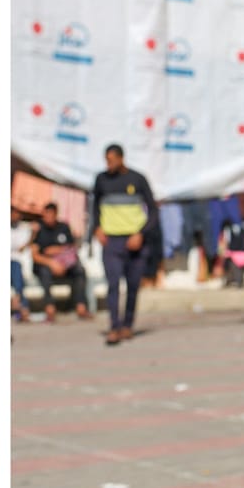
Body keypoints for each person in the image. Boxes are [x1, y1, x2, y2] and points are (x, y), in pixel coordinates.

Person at [89, 144, 159, 346]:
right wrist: (97, 228)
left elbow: (153, 212)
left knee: (133, 285)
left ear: (121, 159)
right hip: (112, 240)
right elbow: (95, 207)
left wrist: (141, 233)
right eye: (106, 161)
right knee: (112, 284)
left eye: (111, 160)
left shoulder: (137, 179)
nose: (108, 165)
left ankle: (128, 324)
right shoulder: (101, 180)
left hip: (135, 240)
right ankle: (114, 326)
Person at [31, 200, 92, 321]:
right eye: (46, 214)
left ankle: (81, 306)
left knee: (80, 271)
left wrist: (56, 251)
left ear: (55, 214)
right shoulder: (39, 229)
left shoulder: (64, 227)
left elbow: (71, 248)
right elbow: (35, 255)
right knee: (44, 272)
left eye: (50, 214)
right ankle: (50, 308)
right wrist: (52, 263)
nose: (48, 217)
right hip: (46, 264)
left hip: (64, 264)